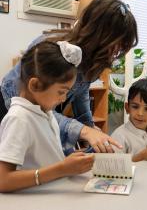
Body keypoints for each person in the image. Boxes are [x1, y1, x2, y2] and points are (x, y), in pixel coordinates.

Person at [0, 0, 138, 154]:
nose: (116, 52)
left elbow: (81, 93)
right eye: (116, 44)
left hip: (44, 116)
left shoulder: (93, 58)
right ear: (99, 34)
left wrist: (89, 129)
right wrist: (84, 131)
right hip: (8, 109)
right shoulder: (50, 50)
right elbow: (30, 108)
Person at [0, 41, 95, 192]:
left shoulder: (45, 112)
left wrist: (70, 161)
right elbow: (3, 180)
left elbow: (44, 159)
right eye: (61, 92)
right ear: (35, 85)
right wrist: (62, 169)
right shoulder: (19, 118)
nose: (64, 99)